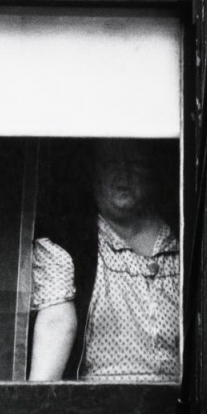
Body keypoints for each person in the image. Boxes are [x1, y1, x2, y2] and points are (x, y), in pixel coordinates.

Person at [27, 141, 180, 381]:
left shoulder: (183, 243)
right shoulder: (68, 245)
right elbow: (56, 324)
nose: (123, 174)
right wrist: (36, 409)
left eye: (135, 163)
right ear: (93, 172)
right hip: (101, 409)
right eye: (110, 163)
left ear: (151, 171)